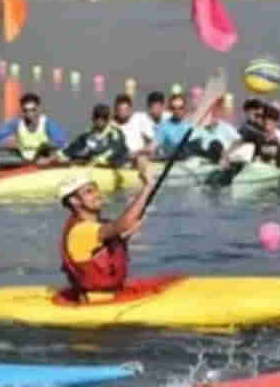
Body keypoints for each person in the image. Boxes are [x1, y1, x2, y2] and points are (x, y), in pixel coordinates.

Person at [57, 171, 161, 300]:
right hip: (96, 301)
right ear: (74, 201)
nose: (98, 195)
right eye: (89, 192)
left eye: (96, 190)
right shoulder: (81, 231)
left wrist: (123, 236)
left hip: (113, 294)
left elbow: (111, 242)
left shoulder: (97, 226)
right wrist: (147, 187)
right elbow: (123, 224)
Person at [0, 92, 68, 160]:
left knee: (46, 147)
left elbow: (61, 142)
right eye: (26, 110)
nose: (29, 114)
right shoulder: (16, 124)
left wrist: (49, 148)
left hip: (44, 160)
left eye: (33, 110)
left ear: (39, 109)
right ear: (22, 111)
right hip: (23, 161)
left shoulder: (47, 124)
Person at [61, 103, 130, 167]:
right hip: (96, 165)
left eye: (104, 117)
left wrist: (99, 158)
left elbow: (113, 150)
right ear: (93, 117)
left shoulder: (115, 133)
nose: (100, 120)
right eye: (97, 116)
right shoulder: (88, 133)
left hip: (117, 166)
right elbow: (74, 147)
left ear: (108, 119)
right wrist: (61, 154)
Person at [155, 93, 193, 157]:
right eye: (174, 108)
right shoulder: (163, 127)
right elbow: (154, 145)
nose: (177, 111)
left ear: (185, 108)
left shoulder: (190, 126)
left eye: (180, 108)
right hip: (171, 160)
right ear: (170, 109)